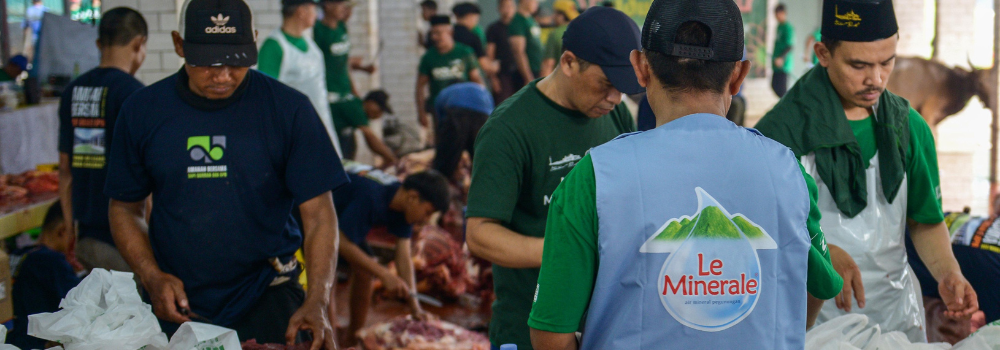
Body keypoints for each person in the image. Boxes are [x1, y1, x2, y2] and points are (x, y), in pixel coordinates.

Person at [528, 1, 844, 349]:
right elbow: (821, 285)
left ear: (640, 68)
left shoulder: (594, 177)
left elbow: (550, 334)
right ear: (738, 75)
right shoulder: (789, 171)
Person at [104, 0, 346, 347]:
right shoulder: (143, 111)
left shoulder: (288, 110)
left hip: (269, 291)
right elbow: (125, 208)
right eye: (206, 61)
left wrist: (318, 299)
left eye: (235, 60)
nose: (222, 75)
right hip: (177, 300)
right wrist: (151, 275)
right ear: (179, 44)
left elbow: (321, 215)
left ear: (254, 43)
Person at [755, 0, 979, 342]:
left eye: (886, 62)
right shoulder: (781, 132)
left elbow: (924, 220)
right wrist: (820, 251)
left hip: (896, 318)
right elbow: (761, 231)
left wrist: (947, 272)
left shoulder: (909, 128)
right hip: (814, 325)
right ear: (823, 53)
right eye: (858, 65)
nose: (875, 79)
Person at [465, 7, 641, 350]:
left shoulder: (616, 113)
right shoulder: (509, 128)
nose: (614, 98)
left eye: (622, 88)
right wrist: (566, 252)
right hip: (529, 326)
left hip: (602, 323)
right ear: (569, 62)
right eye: (605, 85)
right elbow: (480, 235)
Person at [57, 7, 147, 274]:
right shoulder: (134, 94)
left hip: (85, 236)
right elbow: (147, 173)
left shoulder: (73, 91)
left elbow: (65, 168)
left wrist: (69, 224)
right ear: (138, 44)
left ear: (99, 43)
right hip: (126, 240)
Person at [336, 170, 450, 347]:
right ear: (412, 197)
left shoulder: (402, 205)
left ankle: (353, 337)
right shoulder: (372, 196)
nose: (427, 220)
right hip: (314, 214)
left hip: (343, 220)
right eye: (427, 212)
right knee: (325, 278)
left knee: (365, 271)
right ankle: (327, 342)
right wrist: (384, 274)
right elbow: (340, 242)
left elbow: (403, 256)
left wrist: (415, 306)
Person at [258, 0, 343, 159]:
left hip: (319, 125)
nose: (317, 14)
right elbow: (265, 97)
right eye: (313, 9)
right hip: (294, 134)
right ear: (301, 11)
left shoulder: (310, 44)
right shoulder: (274, 46)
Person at [8, 203, 82, 349]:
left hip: (11, 339)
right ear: (62, 231)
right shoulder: (51, 261)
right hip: (35, 343)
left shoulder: (18, 255)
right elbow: (81, 299)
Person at [416, 15, 484, 130]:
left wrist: (482, 104)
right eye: (432, 34)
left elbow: (477, 80)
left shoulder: (465, 52)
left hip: (465, 107)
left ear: (450, 32)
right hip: (439, 110)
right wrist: (421, 112)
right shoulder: (428, 57)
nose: (434, 37)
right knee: (443, 143)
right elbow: (419, 86)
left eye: (438, 33)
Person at [432, 82, 494, 183]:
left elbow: (440, 126)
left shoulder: (443, 93)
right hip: (483, 114)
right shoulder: (482, 89)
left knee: (445, 160)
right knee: (482, 159)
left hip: (457, 113)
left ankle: (440, 186)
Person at [486, 0, 518, 103]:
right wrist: (493, 79)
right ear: (499, 8)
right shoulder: (493, 28)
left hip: (519, 72)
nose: (508, 9)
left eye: (510, 6)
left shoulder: (519, 27)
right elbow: (489, 54)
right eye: (505, 6)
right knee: (503, 104)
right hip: (502, 74)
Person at [453, 3, 494, 78]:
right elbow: (484, 64)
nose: (476, 23)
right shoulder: (473, 37)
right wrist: (494, 67)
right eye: (476, 19)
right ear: (470, 16)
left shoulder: (449, 35)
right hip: (469, 79)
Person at [508, 0, 542, 91]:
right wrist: (528, 77)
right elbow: (518, 52)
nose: (536, 3)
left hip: (537, 71)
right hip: (527, 75)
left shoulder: (531, 20)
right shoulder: (518, 21)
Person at [540, 0, 578, 77]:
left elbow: (548, 64)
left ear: (561, 15)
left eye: (555, 13)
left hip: (560, 82)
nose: (553, 16)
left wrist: (541, 87)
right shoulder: (581, 32)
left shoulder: (555, 34)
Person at [771, 3, 793, 97]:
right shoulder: (779, 27)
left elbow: (790, 46)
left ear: (784, 13)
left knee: (782, 90)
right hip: (776, 65)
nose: (776, 16)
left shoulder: (788, 28)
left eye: (778, 14)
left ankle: (788, 106)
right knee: (774, 85)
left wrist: (781, 58)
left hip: (783, 65)